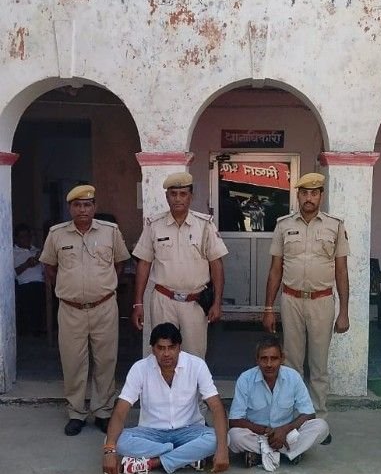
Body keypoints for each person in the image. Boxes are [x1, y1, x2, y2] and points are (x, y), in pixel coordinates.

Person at [262, 173, 350, 443]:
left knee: (319, 366)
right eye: (304, 193)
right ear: (298, 195)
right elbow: (275, 269)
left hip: (322, 302)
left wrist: (344, 311)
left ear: (321, 196)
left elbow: (341, 270)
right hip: (291, 301)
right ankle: (293, 420)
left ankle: (318, 421)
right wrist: (268, 307)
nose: (309, 198)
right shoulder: (284, 225)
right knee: (291, 365)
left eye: (314, 193)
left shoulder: (335, 226)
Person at [39, 184, 130, 436]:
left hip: (104, 307)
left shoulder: (110, 232)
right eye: (77, 205)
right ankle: (76, 413)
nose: (82, 209)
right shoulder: (57, 234)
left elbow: (120, 263)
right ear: (70, 208)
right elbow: (50, 268)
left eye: (87, 205)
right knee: (73, 362)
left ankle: (103, 412)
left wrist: (102, 287)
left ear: (94, 207)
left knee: (106, 361)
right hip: (71, 310)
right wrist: (69, 289)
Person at [102, 322, 229, 474]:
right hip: (151, 432)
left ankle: (152, 462)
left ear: (179, 347)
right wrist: (109, 450)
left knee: (221, 439)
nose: (167, 353)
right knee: (116, 440)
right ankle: (187, 457)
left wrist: (223, 450)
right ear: (153, 349)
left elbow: (216, 407)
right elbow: (120, 411)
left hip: (188, 429)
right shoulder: (140, 368)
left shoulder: (197, 365)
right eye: (161, 348)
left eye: (171, 347)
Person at [131, 172, 228, 359]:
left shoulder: (204, 225)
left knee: (194, 357)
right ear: (167, 196)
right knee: (163, 354)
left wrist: (217, 302)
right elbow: (144, 264)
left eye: (183, 194)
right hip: (163, 300)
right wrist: (138, 303)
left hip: (194, 302)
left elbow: (217, 265)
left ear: (191, 196)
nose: (177, 199)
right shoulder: (154, 225)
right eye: (173, 194)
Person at [228, 335, 328, 470]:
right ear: (257, 360)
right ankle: (289, 453)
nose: (269, 364)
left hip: (287, 434)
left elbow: (309, 414)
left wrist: (284, 430)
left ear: (282, 359)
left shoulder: (293, 377)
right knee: (233, 436)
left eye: (274, 358)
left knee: (321, 426)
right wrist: (266, 431)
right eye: (264, 358)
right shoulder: (245, 379)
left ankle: (261, 454)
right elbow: (234, 420)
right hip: (257, 434)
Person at [13, 223, 46, 335]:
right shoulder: (11, 253)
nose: (26, 239)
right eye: (22, 237)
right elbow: (9, 275)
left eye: (28, 236)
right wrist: (26, 265)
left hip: (43, 284)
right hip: (24, 285)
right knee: (32, 292)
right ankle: (34, 329)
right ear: (16, 239)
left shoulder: (36, 251)